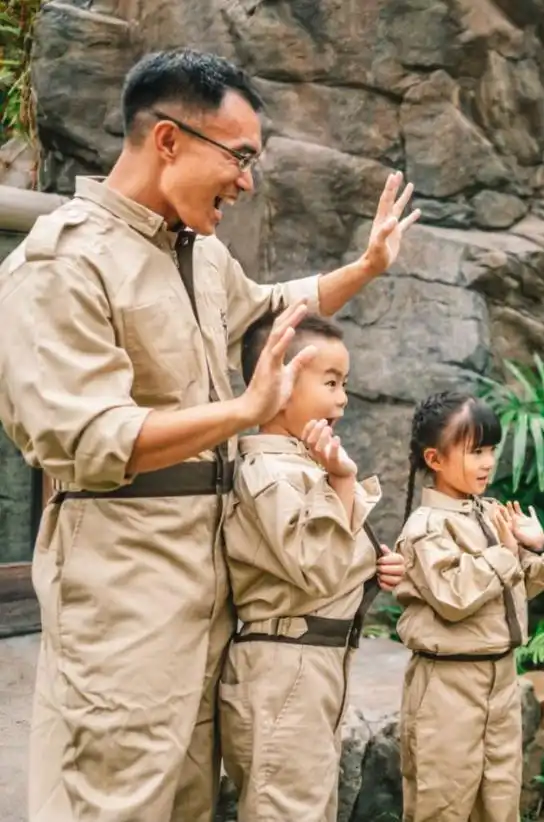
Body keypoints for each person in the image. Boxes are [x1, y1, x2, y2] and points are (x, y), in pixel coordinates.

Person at [0, 48, 420, 822]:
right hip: (125, 586)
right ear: (168, 140)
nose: (248, 180)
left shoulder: (199, 255)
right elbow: (90, 437)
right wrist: (242, 414)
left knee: (190, 799)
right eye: (240, 157)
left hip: (212, 583)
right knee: (119, 796)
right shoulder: (60, 264)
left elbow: (271, 307)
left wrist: (364, 267)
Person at [219, 313, 405, 821]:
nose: (342, 398)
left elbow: (326, 560)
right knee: (289, 810)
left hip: (309, 665)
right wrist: (343, 483)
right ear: (278, 383)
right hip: (287, 670)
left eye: (345, 384)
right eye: (330, 383)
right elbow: (318, 567)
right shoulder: (268, 471)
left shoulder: (300, 464)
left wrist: (372, 567)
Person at [391, 391, 544, 822]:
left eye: (490, 450)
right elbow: (453, 596)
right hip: (449, 683)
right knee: (442, 802)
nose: (487, 462)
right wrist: (504, 554)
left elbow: (522, 587)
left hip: (500, 676)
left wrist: (535, 546)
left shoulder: (490, 512)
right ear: (435, 458)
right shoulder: (425, 527)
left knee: (500, 802)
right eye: (474, 451)